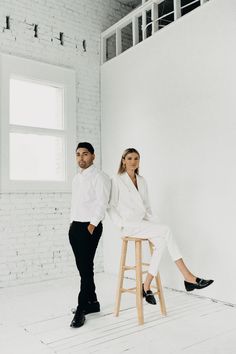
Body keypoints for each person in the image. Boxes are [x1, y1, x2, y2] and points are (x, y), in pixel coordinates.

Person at [108, 148, 213, 305]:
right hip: (129, 225)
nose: (133, 161)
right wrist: (120, 224)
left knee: (162, 240)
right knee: (167, 230)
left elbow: (147, 207)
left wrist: (155, 223)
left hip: (143, 224)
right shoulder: (116, 180)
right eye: (129, 158)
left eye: (136, 158)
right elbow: (111, 206)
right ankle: (188, 277)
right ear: (123, 160)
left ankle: (146, 286)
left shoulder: (142, 180)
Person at [69, 142, 110, 327]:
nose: (81, 158)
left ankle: (81, 308)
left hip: (89, 227)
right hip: (75, 226)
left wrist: (92, 225)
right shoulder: (77, 178)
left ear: (93, 156)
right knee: (83, 268)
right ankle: (92, 303)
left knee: (85, 269)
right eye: (78, 154)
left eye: (85, 154)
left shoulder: (100, 177)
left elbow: (102, 202)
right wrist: (72, 223)